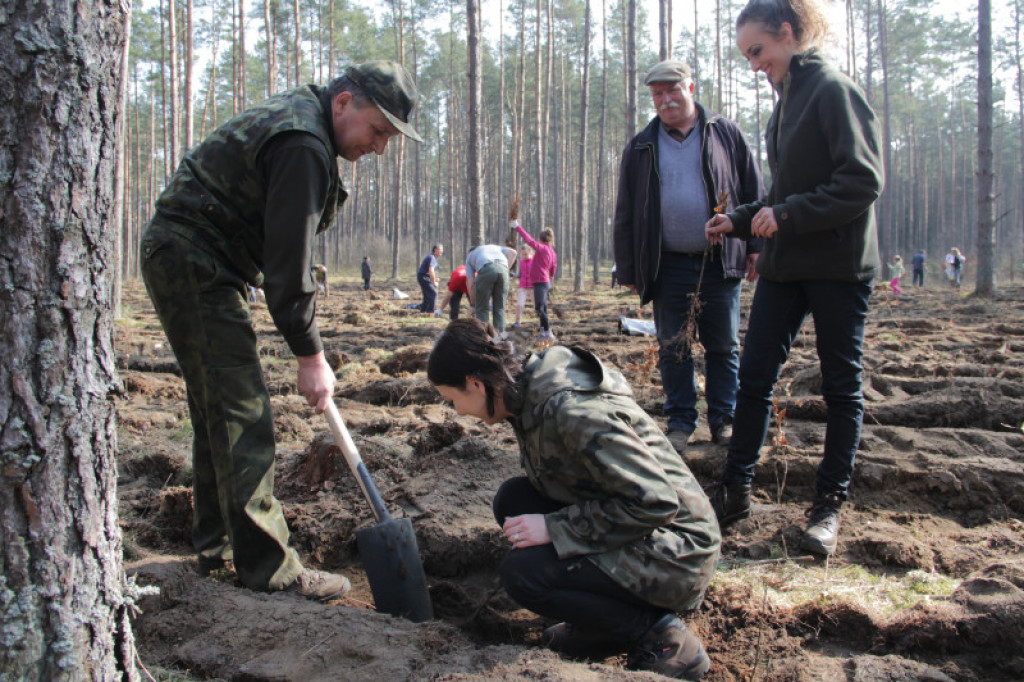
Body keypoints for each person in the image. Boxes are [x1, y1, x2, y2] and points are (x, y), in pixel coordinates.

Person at [139, 60, 422, 600]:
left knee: (218, 410)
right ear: (343, 103)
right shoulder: (304, 145)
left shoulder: (304, 122)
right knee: (243, 414)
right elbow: (286, 270)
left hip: (192, 257)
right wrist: (310, 355)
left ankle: (217, 546)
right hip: (195, 259)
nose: (380, 148)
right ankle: (271, 571)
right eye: (378, 131)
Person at [427, 319, 720, 680]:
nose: (456, 411)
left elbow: (655, 502)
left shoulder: (570, 410)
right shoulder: (523, 391)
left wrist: (554, 528)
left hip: (680, 551)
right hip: (646, 530)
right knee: (514, 501)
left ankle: (658, 633)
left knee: (524, 575)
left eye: (452, 399)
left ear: (475, 383)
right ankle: (601, 623)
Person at [704, 0, 884, 557]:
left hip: (837, 267)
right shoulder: (784, 104)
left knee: (840, 388)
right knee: (753, 376)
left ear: (787, 34)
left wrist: (785, 215)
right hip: (786, 269)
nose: (754, 63)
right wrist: (739, 219)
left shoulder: (832, 90)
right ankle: (735, 491)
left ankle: (827, 509)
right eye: (746, 56)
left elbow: (861, 181)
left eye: (758, 50)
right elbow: (785, 195)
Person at [613, 59, 764, 456]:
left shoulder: (724, 133)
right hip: (667, 264)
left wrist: (756, 246)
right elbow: (626, 210)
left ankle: (723, 419)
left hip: (720, 260)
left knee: (723, 346)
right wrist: (629, 267)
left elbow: (753, 189)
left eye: (672, 90)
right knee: (672, 347)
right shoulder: (642, 144)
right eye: (657, 94)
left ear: (690, 87)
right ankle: (680, 421)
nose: (665, 100)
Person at [513, 223, 559, 344]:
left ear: (541, 239)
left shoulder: (542, 248)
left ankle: (547, 332)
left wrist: (517, 227)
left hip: (540, 282)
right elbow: (553, 267)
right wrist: (551, 277)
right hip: (543, 282)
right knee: (541, 308)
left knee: (541, 308)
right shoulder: (552, 252)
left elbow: (528, 239)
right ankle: (543, 331)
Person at [465, 243, 517, 333]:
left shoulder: (470, 256)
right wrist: (505, 269)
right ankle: (500, 340)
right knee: (500, 308)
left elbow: (470, 282)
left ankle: (483, 339)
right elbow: (513, 253)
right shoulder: (494, 247)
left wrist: (473, 304)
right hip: (503, 270)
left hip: (486, 269)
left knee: (482, 309)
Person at [417, 243, 443, 312]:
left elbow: (433, 272)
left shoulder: (434, 258)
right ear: (435, 250)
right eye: (440, 250)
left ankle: (423, 312)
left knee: (427, 296)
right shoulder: (431, 258)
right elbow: (431, 270)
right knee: (434, 294)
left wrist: (435, 279)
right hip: (424, 277)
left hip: (424, 277)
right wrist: (433, 282)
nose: (442, 251)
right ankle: (430, 312)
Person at [513, 245, 534, 328]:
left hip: (532, 287)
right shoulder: (521, 262)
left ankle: (542, 322)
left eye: (525, 254)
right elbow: (520, 274)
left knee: (537, 305)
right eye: (522, 254)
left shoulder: (534, 261)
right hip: (522, 286)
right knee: (519, 305)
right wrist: (516, 275)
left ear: (531, 253)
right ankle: (517, 322)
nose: (524, 256)